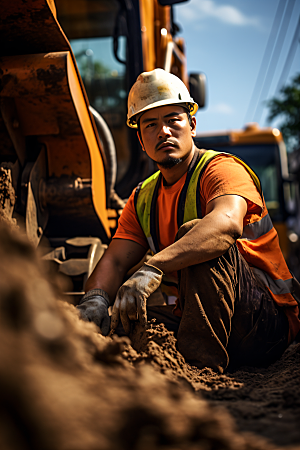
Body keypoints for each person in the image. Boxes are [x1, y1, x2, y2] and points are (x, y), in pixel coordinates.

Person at [77, 68, 300, 373]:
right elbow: (115, 261)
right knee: (123, 326)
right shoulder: (143, 196)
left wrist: (153, 265)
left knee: (197, 235)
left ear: (192, 125)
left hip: (263, 325)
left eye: (173, 120)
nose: (163, 132)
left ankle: (199, 373)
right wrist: (96, 299)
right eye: (151, 125)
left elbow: (225, 225)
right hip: (201, 320)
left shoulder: (221, 170)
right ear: (141, 141)